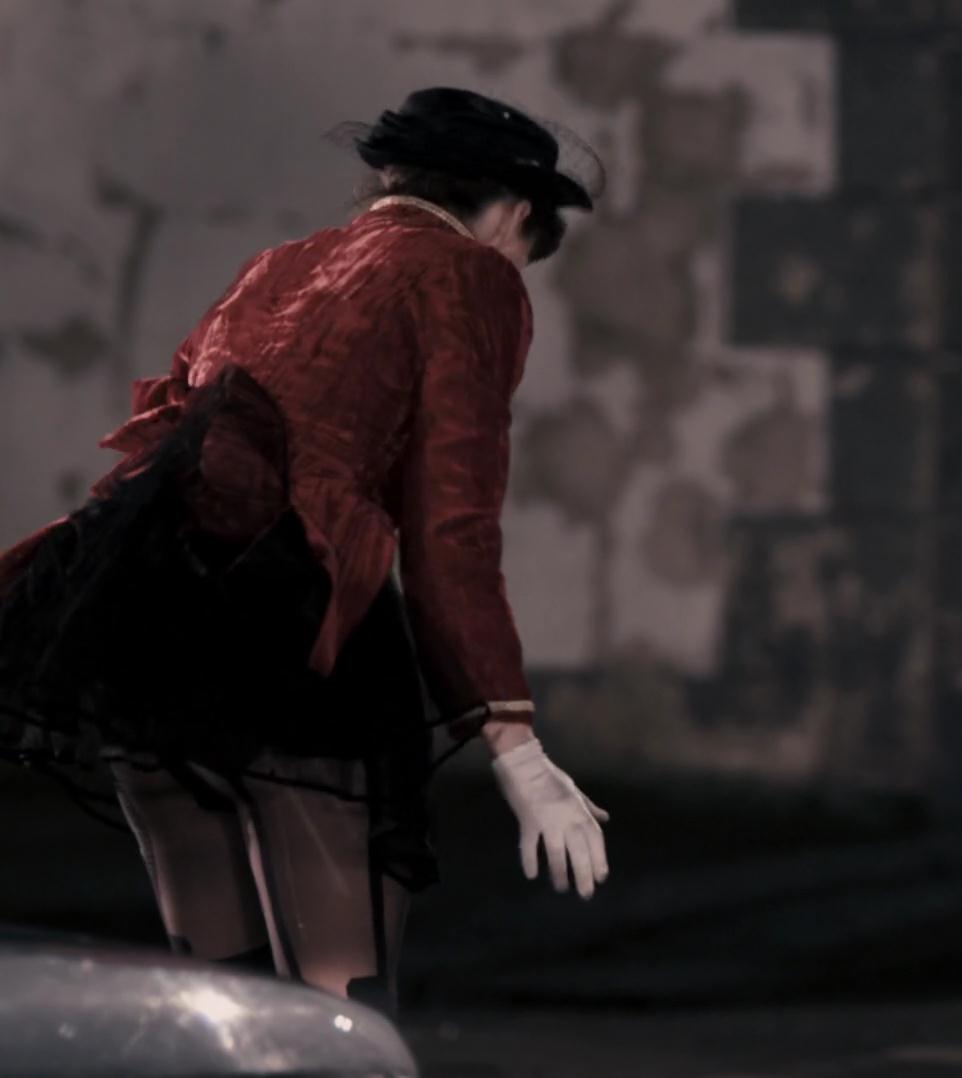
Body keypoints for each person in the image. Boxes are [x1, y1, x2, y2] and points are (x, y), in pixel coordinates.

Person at [0, 87, 611, 1010]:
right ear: (514, 214)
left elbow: (178, 425)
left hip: (135, 608)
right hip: (294, 616)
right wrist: (515, 746)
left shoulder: (277, 265)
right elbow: (451, 525)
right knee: (339, 1008)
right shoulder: (468, 273)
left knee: (225, 1008)